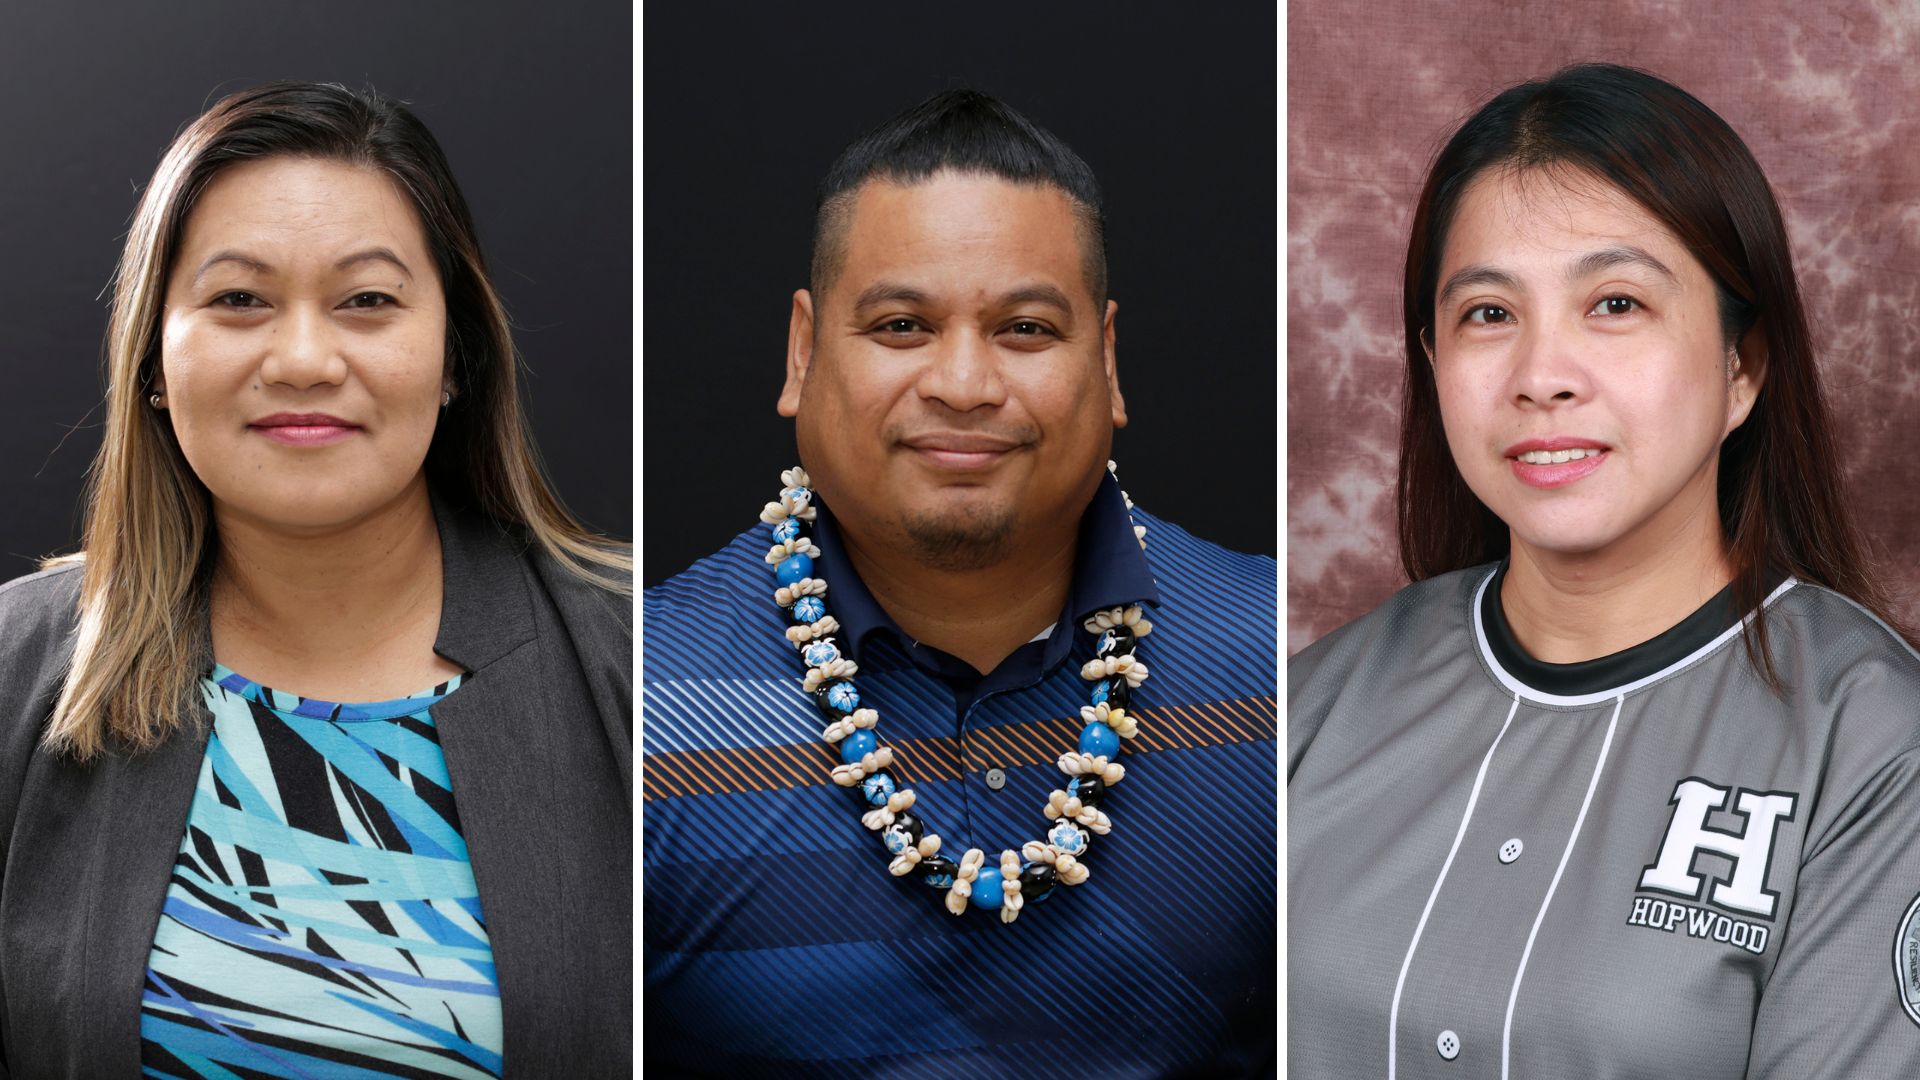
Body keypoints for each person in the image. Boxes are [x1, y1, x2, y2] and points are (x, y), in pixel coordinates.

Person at [1289, 63, 1920, 1077]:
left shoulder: (1875, 747)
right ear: (1432, 361)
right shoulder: (1315, 704)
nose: (1542, 377)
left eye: (1615, 303)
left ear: (1742, 366)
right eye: (1488, 314)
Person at [0, 83, 631, 1076]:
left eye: (367, 301)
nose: (302, 358)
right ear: (153, 360)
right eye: (238, 299)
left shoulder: (645, 664)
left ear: (455, 355)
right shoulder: (11, 670)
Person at [643, 90, 1277, 1076]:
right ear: (802, 352)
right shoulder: (642, 702)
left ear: (1107, 364)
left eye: (1025, 329)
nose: (966, 385)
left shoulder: (1282, 667)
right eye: (902, 326)